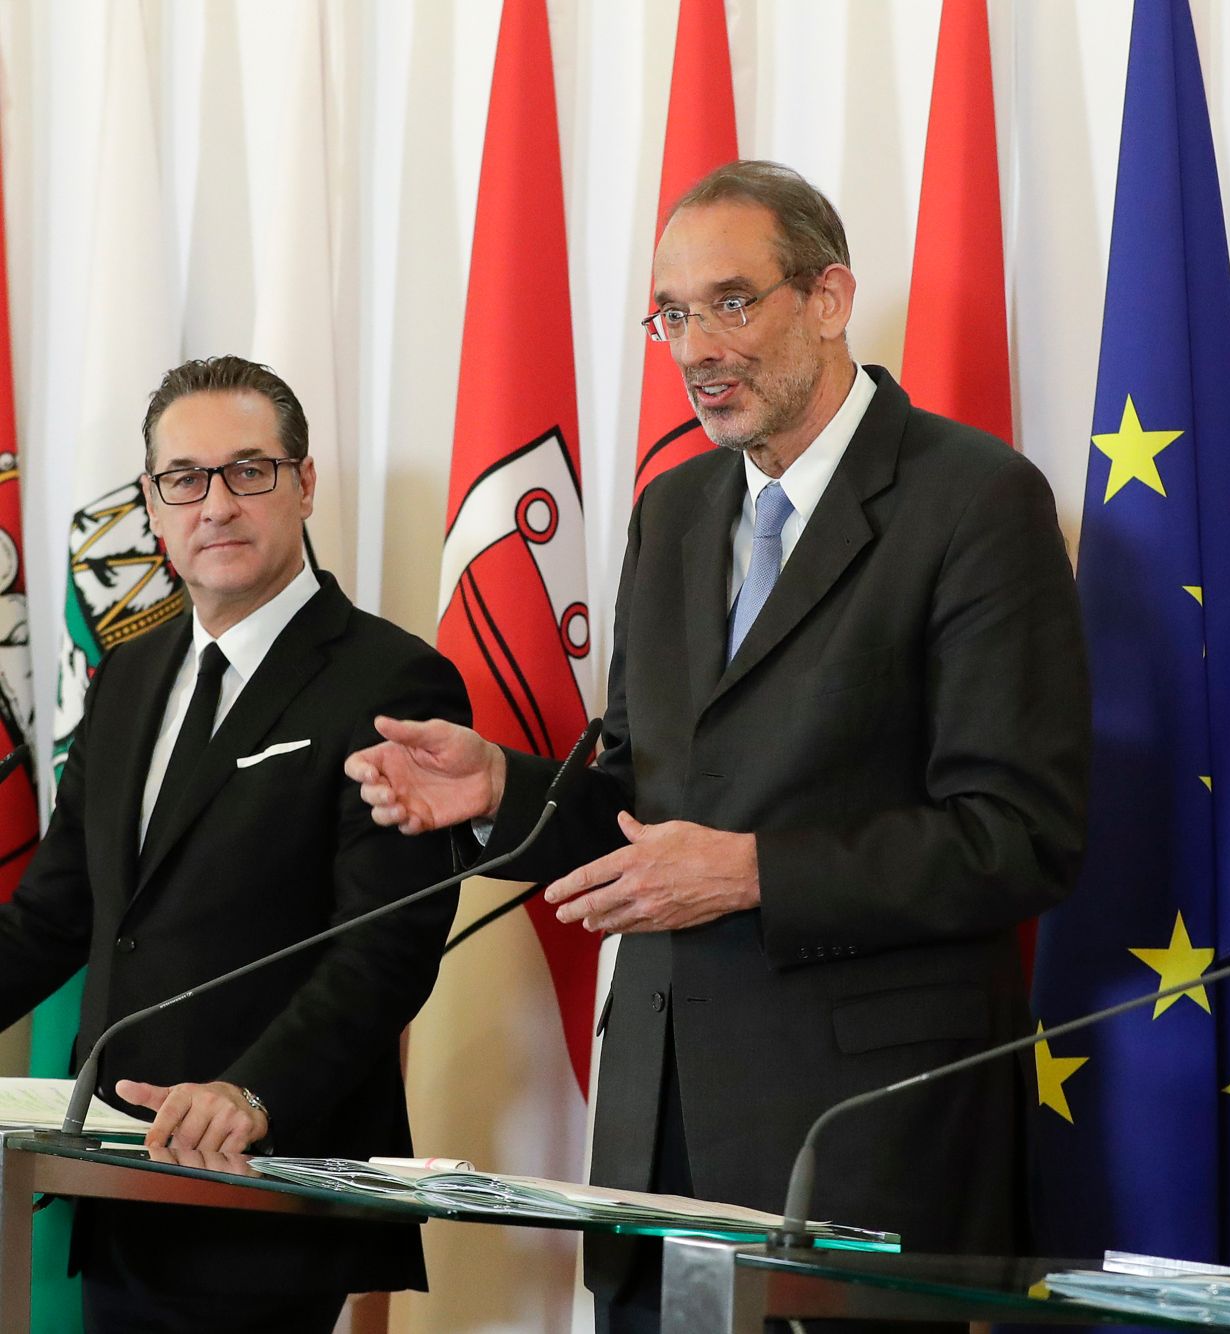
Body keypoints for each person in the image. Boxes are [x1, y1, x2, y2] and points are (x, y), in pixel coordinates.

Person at [347, 160, 1090, 1331]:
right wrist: (501, 790)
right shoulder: (678, 509)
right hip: (658, 1135)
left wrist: (750, 870)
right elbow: (643, 801)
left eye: (731, 302)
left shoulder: (973, 500)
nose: (697, 346)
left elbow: (1017, 836)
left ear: (830, 297)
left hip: (860, 1144)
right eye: (673, 314)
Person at [0, 356, 470, 1333]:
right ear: (152, 503)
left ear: (303, 483)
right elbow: (57, 915)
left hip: (272, 1179)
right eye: (186, 478)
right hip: (122, 1175)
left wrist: (255, 1089)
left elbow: (386, 944)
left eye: (248, 471)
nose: (215, 503)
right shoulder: (127, 673)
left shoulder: (394, 679)